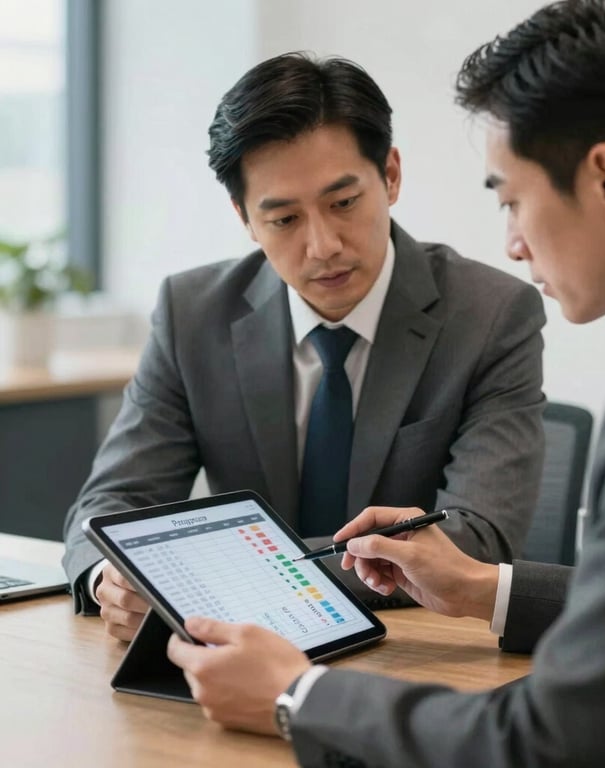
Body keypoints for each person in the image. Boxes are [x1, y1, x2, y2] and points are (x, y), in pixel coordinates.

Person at [166, 1, 605, 765]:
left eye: (511, 198)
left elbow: (552, 741)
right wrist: (488, 590)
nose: (512, 242)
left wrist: (296, 695)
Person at [62, 53, 546, 642]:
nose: (322, 246)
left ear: (390, 175)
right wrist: (109, 578)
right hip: (229, 661)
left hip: (411, 657)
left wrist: (211, 579)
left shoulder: (491, 315)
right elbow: (111, 507)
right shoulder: (193, 314)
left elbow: (476, 538)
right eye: (285, 219)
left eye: (344, 203)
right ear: (244, 218)